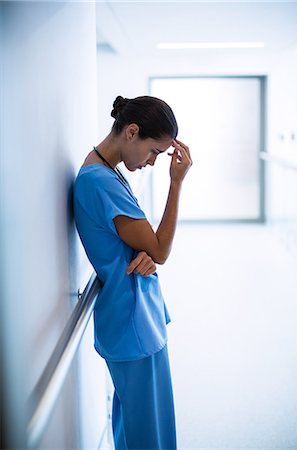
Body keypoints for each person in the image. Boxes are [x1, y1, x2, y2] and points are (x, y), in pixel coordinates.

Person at [73, 95, 192, 450]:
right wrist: (177, 183)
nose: (153, 162)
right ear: (132, 131)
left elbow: (145, 248)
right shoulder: (100, 181)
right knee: (149, 436)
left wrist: (148, 252)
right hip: (132, 321)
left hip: (135, 318)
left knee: (134, 429)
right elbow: (159, 249)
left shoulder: (104, 170)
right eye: (153, 151)